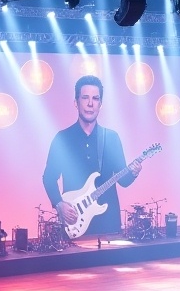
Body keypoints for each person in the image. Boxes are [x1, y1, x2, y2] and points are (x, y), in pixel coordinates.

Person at [42, 74, 141, 240]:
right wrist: (59, 204)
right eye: (85, 98)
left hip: (108, 223)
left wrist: (134, 172)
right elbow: (49, 178)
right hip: (75, 221)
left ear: (100, 104)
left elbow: (123, 181)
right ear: (76, 102)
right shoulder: (62, 139)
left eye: (95, 98)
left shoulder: (111, 138)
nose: (90, 103)